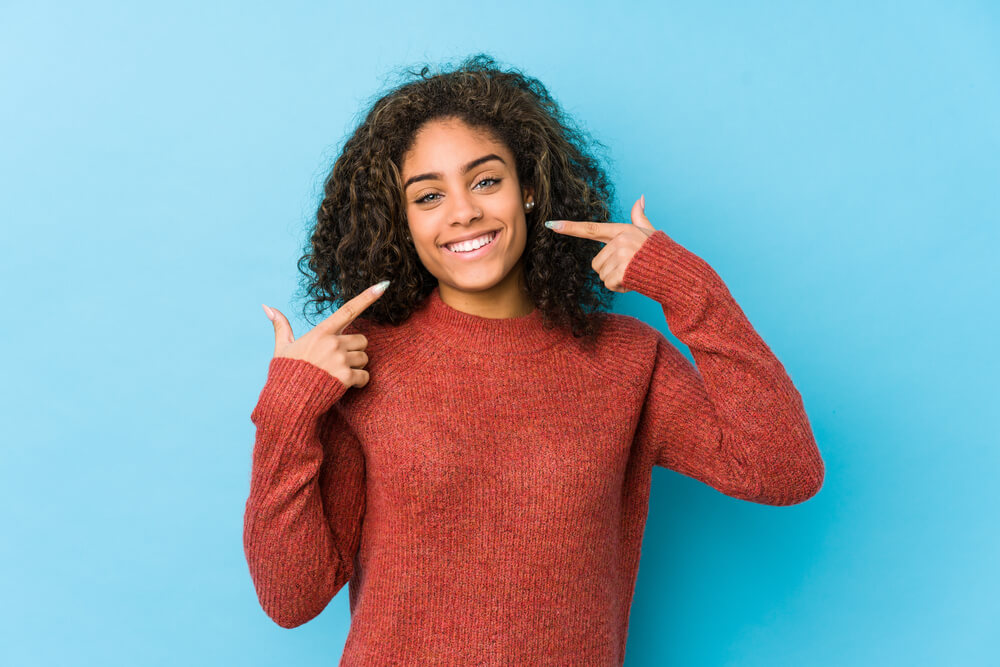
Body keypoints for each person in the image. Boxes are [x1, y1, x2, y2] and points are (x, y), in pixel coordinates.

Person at [243, 53, 825, 665]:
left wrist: (689, 288)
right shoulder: (365, 363)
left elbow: (783, 472)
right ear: (401, 222)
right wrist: (286, 417)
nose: (463, 211)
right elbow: (292, 600)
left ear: (528, 190)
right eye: (428, 196)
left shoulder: (628, 360)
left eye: (486, 180)